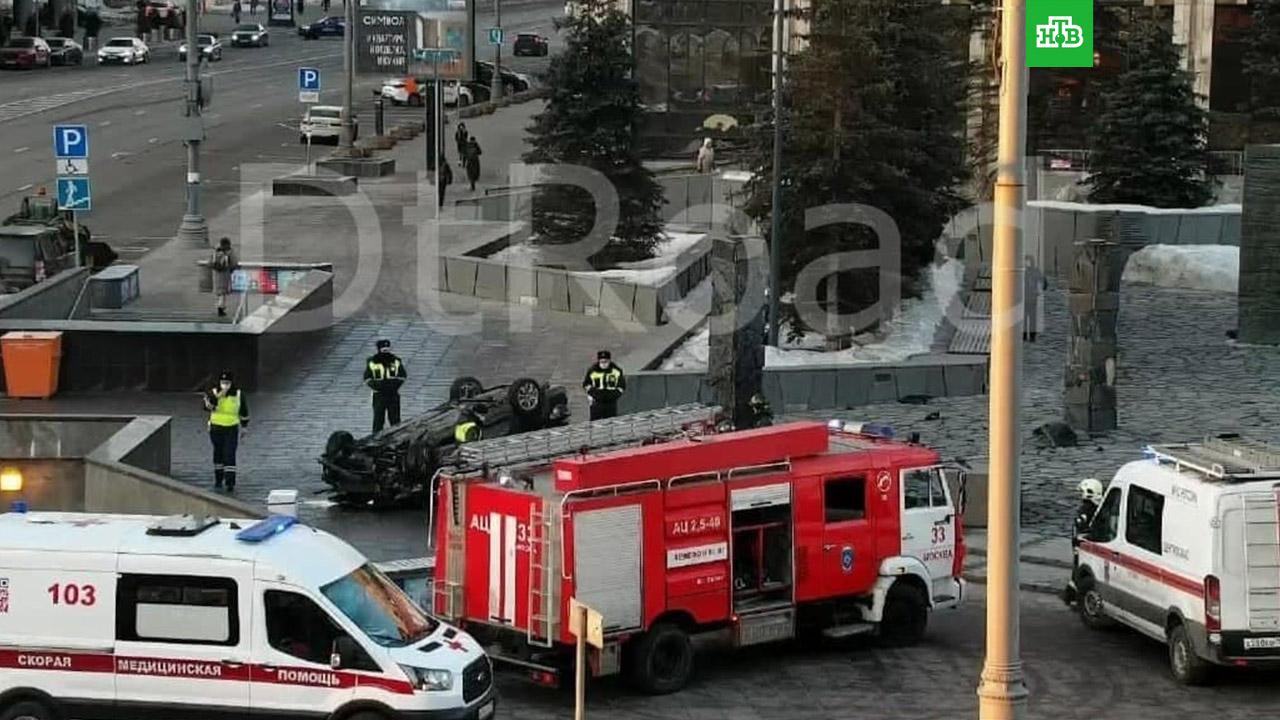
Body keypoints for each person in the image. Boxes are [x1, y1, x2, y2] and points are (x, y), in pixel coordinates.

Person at [203, 370, 249, 491]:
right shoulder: (213, 392)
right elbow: (207, 407)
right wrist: (217, 397)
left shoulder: (238, 394)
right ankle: (218, 479)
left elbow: (244, 411)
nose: (225, 385)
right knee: (218, 453)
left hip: (231, 427)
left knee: (229, 454)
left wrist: (244, 426)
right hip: (216, 427)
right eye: (223, 382)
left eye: (227, 382)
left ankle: (230, 482)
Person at [1062, 477, 1103, 605]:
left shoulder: (1085, 510)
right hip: (1082, 545)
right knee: (1080, 570)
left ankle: (1071, 594)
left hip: (1079, 545)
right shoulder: (1091, 510)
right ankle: (1073, 595)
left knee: (1078, 569)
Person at [363, 339, 406, 433]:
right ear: (379, 350)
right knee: (378, 420)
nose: (386, 352)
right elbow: (367, 378)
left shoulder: (396, 361)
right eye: (383, 350)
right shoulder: (372, 362)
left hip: (393, 394)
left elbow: (402, 375)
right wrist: (377, 386)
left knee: (395, 421)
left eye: (387, 349)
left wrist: (394, 385)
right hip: (379, 395)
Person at [582, 350, 626, 420]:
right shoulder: (592, 370)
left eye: (606, 362)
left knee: (611, 423)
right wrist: (594, 393)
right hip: (597, 402)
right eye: (602, 362)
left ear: (609, 361)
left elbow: (621, 386)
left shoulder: (616, 371)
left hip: (611, 402)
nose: (604, 364)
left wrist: (614, 395)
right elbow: (586, 384)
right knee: (595, 424)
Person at [210, 237, 237, 318]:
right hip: (225, 274)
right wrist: (231, 269)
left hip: (217, 274)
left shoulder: (216, 251)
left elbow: (210, 262)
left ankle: (220, 306)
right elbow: (234, 263)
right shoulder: (229, 252)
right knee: (223, 293)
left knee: (219, 292)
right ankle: (220, 308)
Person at [1024, 254, 1046, 342]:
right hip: (1029, 298)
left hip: (1029, 298)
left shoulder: (1025, 271)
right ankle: (1029, 337)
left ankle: (1027, 336)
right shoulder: (1034, 271)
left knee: (1028, 318)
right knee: (1030, 318)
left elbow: (1044, 281)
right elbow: (1044, 282)